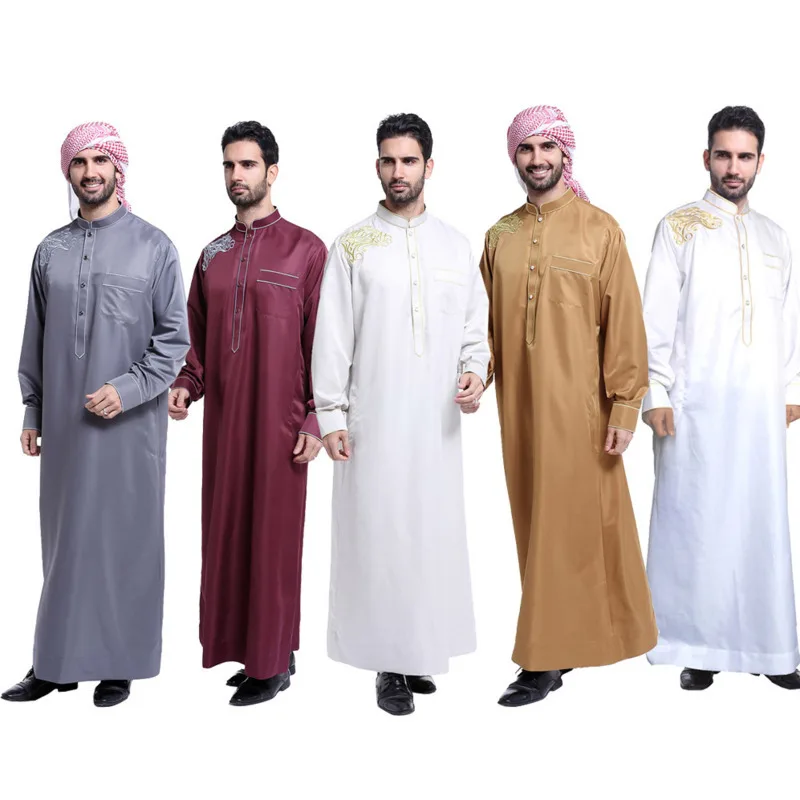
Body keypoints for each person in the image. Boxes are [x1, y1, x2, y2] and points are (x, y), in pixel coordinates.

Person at [3, 121, 189, 708]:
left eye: (99, 161)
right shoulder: (50, 250)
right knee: (65, 542)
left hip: (130, 431)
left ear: (118, 169)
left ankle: (119, 665)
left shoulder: (154, 247)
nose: (90, 172)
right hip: (64, 425)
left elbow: (174, 342)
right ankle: (55, 663)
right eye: (79, 162)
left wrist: (128, 389)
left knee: (126, 542)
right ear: (68, 172)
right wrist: (32, 409)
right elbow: (34, 337)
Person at [311, 113, 490, 716]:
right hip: (375, 422)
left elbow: (475, 331)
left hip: (436, 426)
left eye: (409, 160)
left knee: (429, 535)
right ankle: (388, 663)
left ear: (429, 167)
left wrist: (474, 372)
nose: (398, 171)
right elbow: (332, 337)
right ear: (377, 166)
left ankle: (417, 650)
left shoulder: (455, 245)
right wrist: (331, 416)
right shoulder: (352, 245)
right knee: (380, 536)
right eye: (388, 160)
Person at [481, 105, 657, 708]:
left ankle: (544, 659)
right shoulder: (499, 236)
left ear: (565, 153)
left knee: (575, 532)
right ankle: (562, 645)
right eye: (525, 149)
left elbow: (624, 323)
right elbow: (481, 330)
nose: (537, 160)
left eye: (546, 148)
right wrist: (475, 376)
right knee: (536, 530)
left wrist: (625, 406)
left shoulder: (600, 230)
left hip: (583, 414)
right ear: (515, 157)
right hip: (519, 415)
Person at [642, 105, 800, 691]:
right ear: (706, 157)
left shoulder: (775, 236)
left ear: (761, 161)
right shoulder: (678, 227)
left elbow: (789, 320)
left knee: (759, 524)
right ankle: (697, 647)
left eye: (745, 156)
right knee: (698, 526)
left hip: (759, 408)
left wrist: (791, 389)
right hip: (695, 407)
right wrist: (656, 392)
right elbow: (653, 318)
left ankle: (769, 647)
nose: (734, 167)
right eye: (724, 155)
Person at [169, 121, 327, 706]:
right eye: (229, 166)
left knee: (274, 541)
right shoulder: (212, 254)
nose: (237, 175)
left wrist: (316, 418)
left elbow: (323, 343)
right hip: (225, 427)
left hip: (281, 425)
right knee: (229, 535)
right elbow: (196, 337)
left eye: (249, 165)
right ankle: (258, 649)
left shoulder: (307, 250)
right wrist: (186, 383)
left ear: (272, 171)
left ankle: (272, 664)